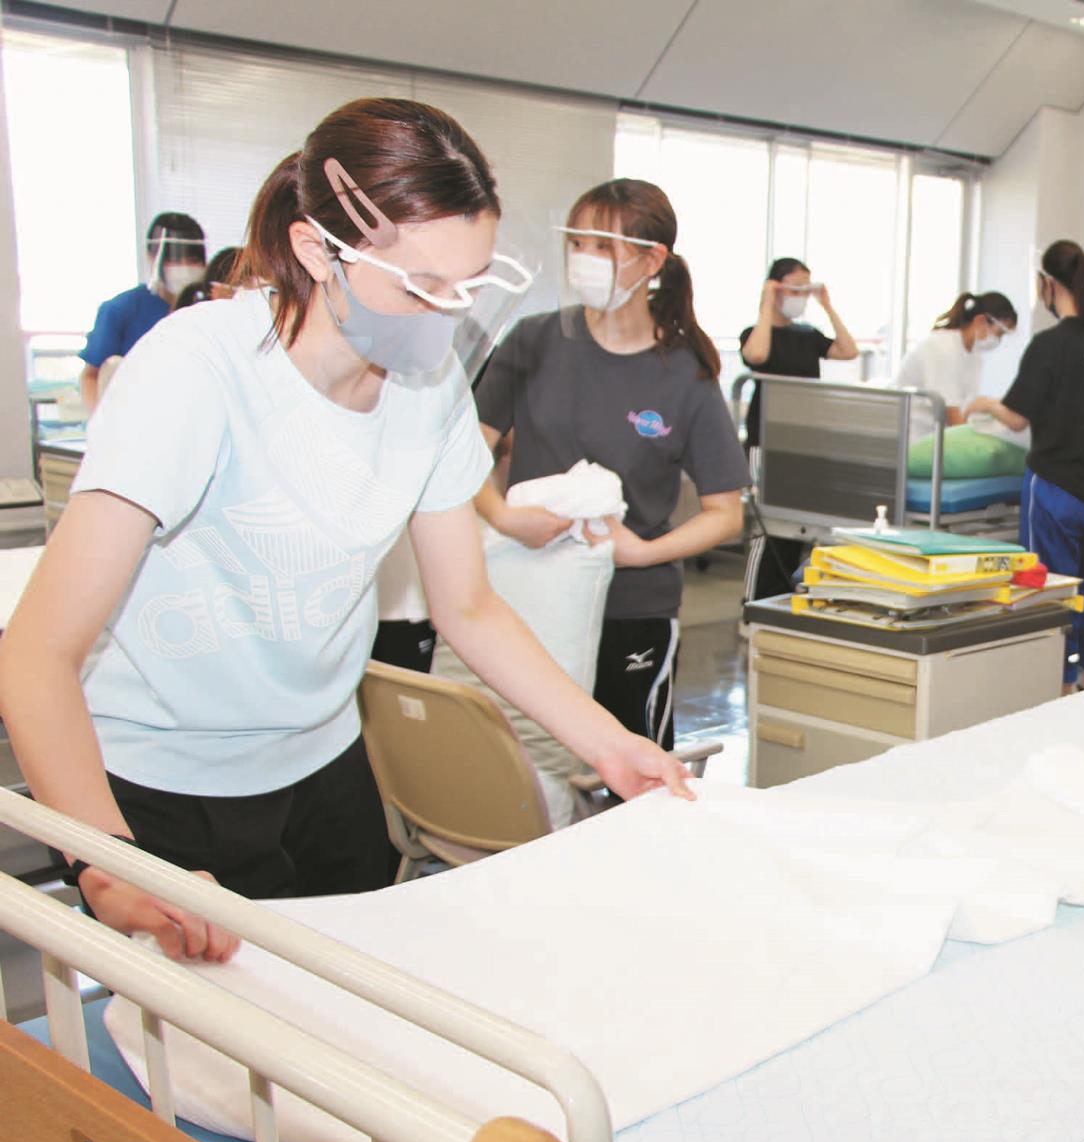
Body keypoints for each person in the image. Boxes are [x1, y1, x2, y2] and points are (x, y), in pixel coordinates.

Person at [0, 98, 692, 964]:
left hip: (324, 764)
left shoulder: (430, 388)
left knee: (348, 1013)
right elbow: (36, 654)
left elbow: (469, 608)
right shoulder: (196, 371)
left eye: (467, 286)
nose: (444, 317)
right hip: (164, 782)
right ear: (315, 250)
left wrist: (610, 744)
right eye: (418, 287)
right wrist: (109, 862)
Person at [475, 178, 748, 750]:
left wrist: (642, 552)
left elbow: (726, 515)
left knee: (631, 764)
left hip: (631, 607)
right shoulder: (534, 341)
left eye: (603, 246)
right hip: (526, 592)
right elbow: (466, 449)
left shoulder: (686, 375)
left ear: (652, 261)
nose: (584, 258)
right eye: (576, 243)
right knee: (524, 758)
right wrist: (500, 515)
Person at [966, 242, 1084, 690]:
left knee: (1048, 592)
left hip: (1055, 490)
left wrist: (985, 404)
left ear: (1049, 285)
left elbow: (1017, 418)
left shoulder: (1049, 345)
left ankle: (1057, 687)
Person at [740, 257, 860, 601]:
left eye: (805, 289)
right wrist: (767, 302)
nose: (800, 296)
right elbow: (757, 355)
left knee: (797, 525)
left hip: (804, 443)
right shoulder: (755, 333)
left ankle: (781, 595)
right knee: (769, 526)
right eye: (793, 288)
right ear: (774, 288)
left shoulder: (807, 335)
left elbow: (848, 350)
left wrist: (827, 305)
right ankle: (754, 601)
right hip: (767, 442)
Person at [80, 212, 207, 413]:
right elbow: (91, 376)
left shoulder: (208, 309)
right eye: (174, 259)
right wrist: (102, 422)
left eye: (191, 259)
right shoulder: (120, 310)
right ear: (152, 257)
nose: (184, 267)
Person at [894, 290, 1017, 424]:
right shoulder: (942, 346)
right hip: (914, 429)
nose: (998, 340)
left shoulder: (974, 355)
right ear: (980, 320)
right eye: (999, 333)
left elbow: (965, 407)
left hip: (936, 430)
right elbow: (952, 416)